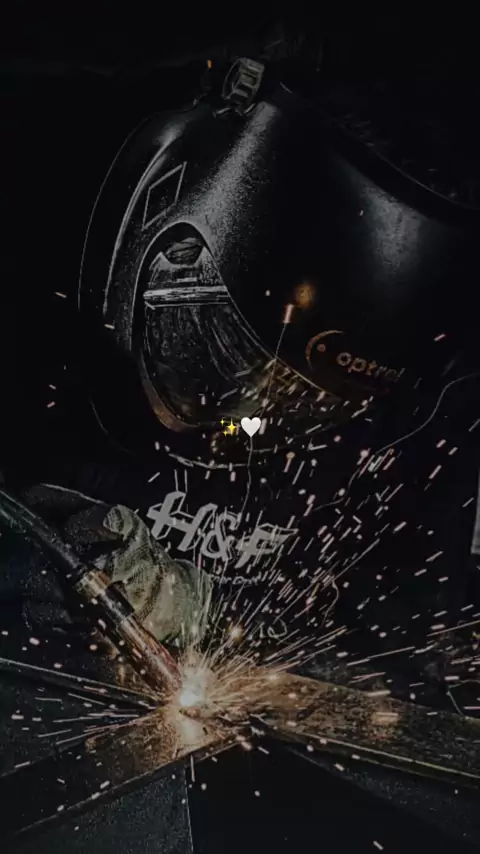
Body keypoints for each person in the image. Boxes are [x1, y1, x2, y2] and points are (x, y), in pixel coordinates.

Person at [2, 29, 480, 852]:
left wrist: (219, 619)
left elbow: (404, 683)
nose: (241, 421)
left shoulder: (427, 418)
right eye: (223, 359)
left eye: (299, 399)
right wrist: (34, 553)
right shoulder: (45, 282)